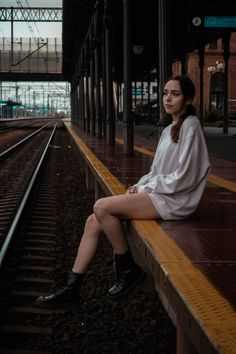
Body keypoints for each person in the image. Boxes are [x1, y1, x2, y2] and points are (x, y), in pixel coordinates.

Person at [36, 75, 210, 309]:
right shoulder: (170, 128)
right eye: (166, 93)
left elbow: (184, 176)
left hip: (175, 200)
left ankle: (128, 269)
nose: (168, 98)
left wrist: (147, 187)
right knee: (92, 221)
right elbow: (156, 171)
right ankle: (72, 287)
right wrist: (141, 185)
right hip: (162, 194)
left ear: (188, 99)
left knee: (101, 207)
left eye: (175, 94)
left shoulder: (191, 126)